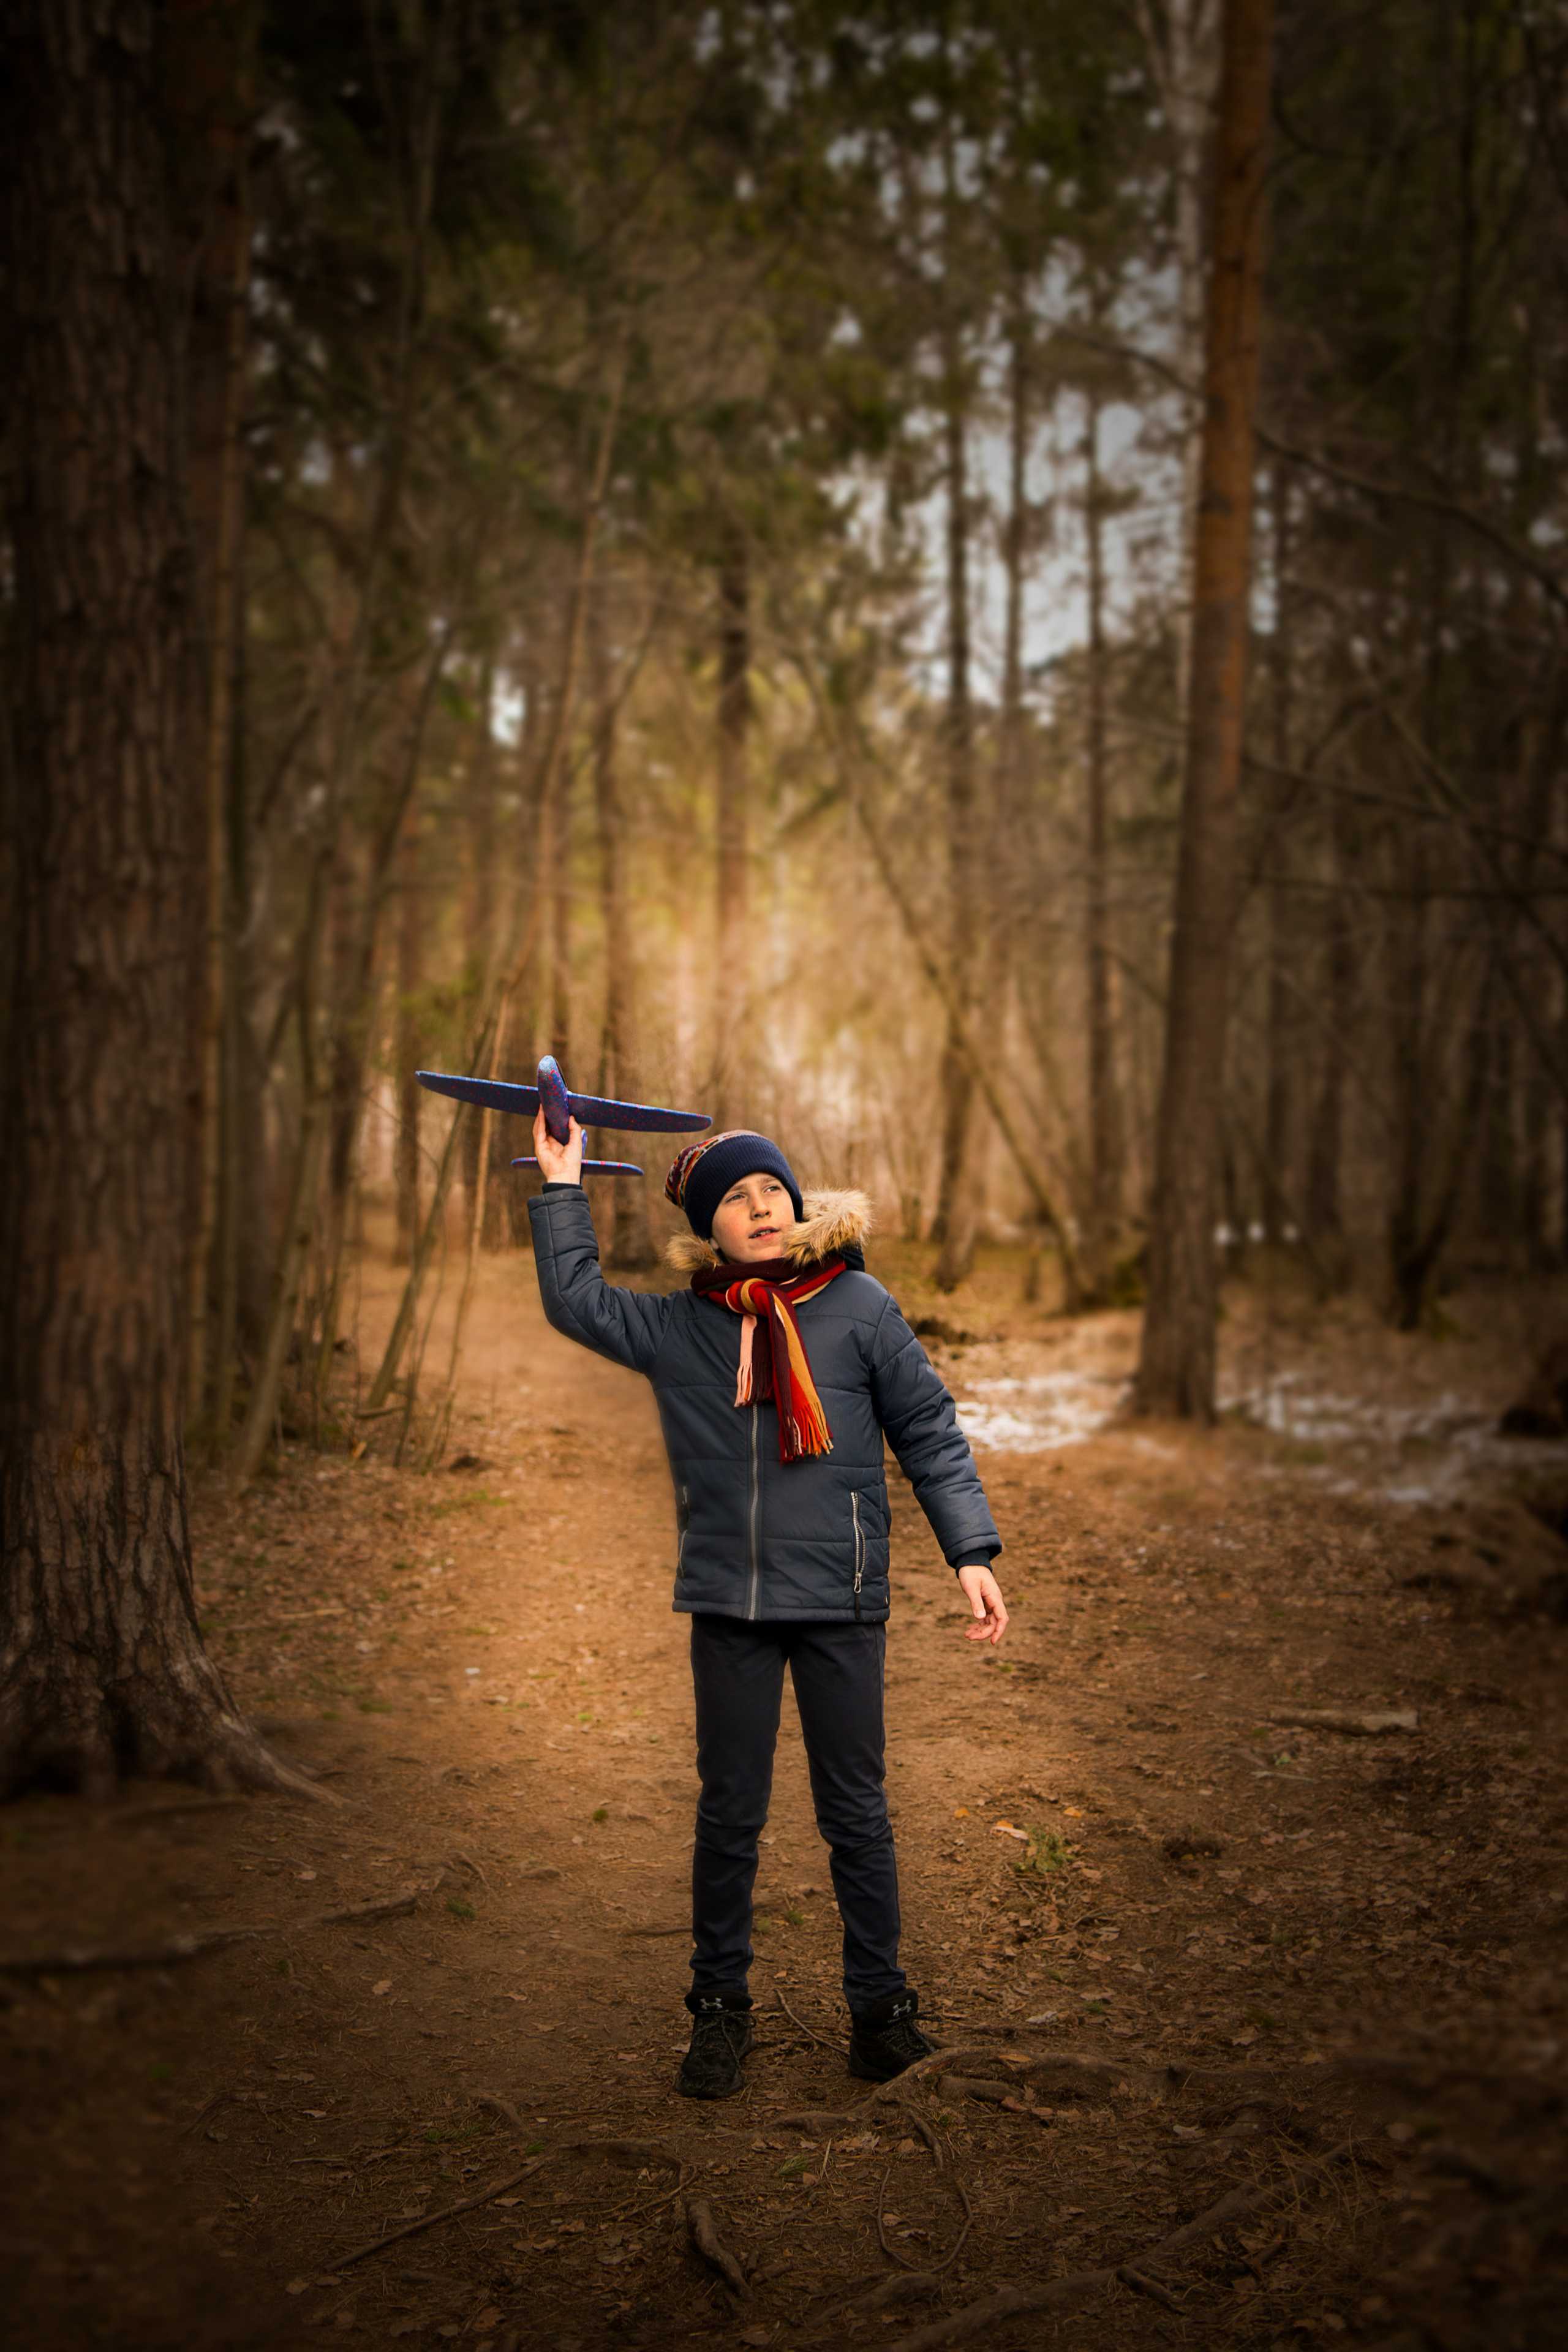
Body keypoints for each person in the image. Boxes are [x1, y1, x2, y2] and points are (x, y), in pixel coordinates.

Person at [527, 1112, 1007, 2099]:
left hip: (840, 1599)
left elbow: (929, 1429)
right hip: (732, 1606)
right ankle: (718, 2012)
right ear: (712, 1230)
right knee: (730, 1816)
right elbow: (576, 1298)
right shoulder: (678, 1326)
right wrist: (563, 1187)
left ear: (799, 1206)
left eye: (773, 1192)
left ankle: (881, 2014)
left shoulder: (860, 1306)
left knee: (857, 1817)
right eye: (737, 1200)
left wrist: (970, 1548)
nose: (761, 1208)